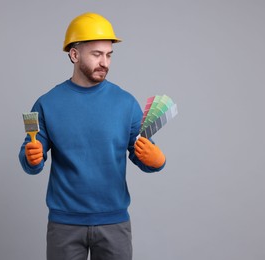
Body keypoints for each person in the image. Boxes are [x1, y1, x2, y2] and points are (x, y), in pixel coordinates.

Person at [19, 12, 166, 260]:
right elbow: (31, 157)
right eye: (96, 54)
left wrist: (156, 161)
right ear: (74, 54)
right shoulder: (47, 103)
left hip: (114, 223)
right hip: (64, 223)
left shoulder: (126, 103)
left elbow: (141, 153)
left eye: (109, 55)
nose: (104, 62)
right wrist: (30, 158)